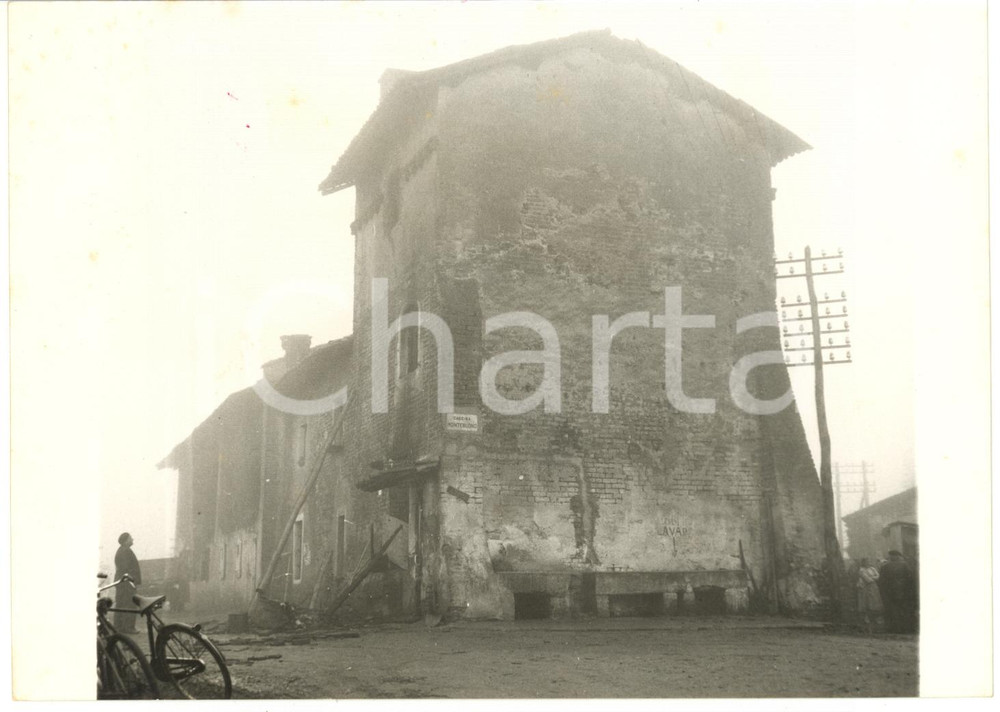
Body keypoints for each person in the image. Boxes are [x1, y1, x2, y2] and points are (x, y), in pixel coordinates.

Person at [878, 550, 917, 633]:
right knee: (902, 610)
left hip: (890, 592)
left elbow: (881, 581)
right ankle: (905, 628)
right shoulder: (905, 565)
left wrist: (884, 591)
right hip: (902, 591)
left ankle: (894, 628)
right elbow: (910, 579)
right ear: (898, 556)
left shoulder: (885, 566)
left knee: (892, 610)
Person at [113, 532, 142, 633]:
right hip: (126, 582)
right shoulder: (125, 551)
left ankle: (118, 627)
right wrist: (132, 579)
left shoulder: (122, 550)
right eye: (131, 538)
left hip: (122, 582)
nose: (132, 539)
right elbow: (126, 568)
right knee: (129, 604)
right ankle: (129, 628)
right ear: (126, 541)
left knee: (121, 604)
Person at [855, 558, 882, 634]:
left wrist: (873, 578)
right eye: (866, 562)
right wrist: (873, 577)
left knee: (874, 603)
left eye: (869, 561)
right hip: (865, 588)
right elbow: (867, 580)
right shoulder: (861, 570)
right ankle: (866, 622)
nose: (868, 563)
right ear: (863, 563)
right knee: (866, 603)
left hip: (873, 588)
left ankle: (873, 621)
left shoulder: (872, 568)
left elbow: (878, 576)